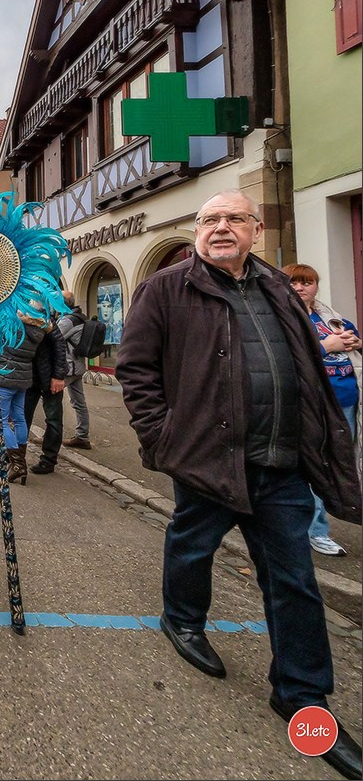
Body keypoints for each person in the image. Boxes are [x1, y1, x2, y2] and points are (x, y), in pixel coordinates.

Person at [115, 189, 362, 780]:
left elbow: (301, 361)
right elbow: (135, 368)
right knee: (192, 545)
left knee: (295, 580)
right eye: (210, 219)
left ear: (255, 229)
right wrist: (164, 437)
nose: (221, 227)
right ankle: (183, 618)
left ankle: (303, 698)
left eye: (234, 219)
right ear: (197, 231)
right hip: (207, 457)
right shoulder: (165, 288)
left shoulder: (278, 288)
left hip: (281, 463)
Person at [283, 263, 361, 557]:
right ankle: (315, 531)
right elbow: (286, 356)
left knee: (337, 466)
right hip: (311, 403)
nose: (301, 287)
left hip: (345, 402)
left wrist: (353, 341)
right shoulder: (284, 315)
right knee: (311, 467)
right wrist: (326, 346)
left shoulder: (329, 315)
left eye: (307, 282)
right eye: (294, 282)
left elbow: (352, 338)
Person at [0, 312, 46, 484]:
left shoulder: (11, 325)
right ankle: (19, 463)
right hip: (23, 378)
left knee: (1, 420)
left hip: (6, 376)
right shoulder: (37, 329)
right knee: (19, 418)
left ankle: (17, 464)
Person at [23, 311, 67, 475]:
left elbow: (60, 346)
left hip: (50, 376)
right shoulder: (18, 317)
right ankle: (15, 455)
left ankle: (49, 459)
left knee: (54, 419)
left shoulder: (43, 318)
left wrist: (58, 376)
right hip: (29, 378)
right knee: (22, 417)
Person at [57, 290, 92, 450]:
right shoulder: (80, 316)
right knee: (79, 401)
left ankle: (52, 435)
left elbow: (53, 337)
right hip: (77, 365)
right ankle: (82, 436)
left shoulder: (68, 321)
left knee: (50, 398)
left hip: (68, 367)